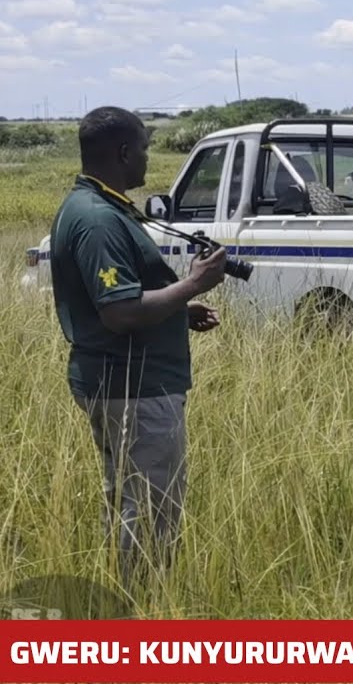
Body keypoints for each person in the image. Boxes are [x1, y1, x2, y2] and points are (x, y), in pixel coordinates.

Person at [48, 106, 228, 588]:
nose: (149, 159)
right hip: (134, 387)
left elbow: (118, 300)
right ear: (124, 152)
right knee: (151, 508)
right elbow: (120, 312)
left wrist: (178, 310)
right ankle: (142, 605)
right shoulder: (98, 220)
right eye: (146, 149)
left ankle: (121, 596)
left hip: (121, 381)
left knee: (128, 499)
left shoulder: (98, 206)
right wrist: (193, 284)